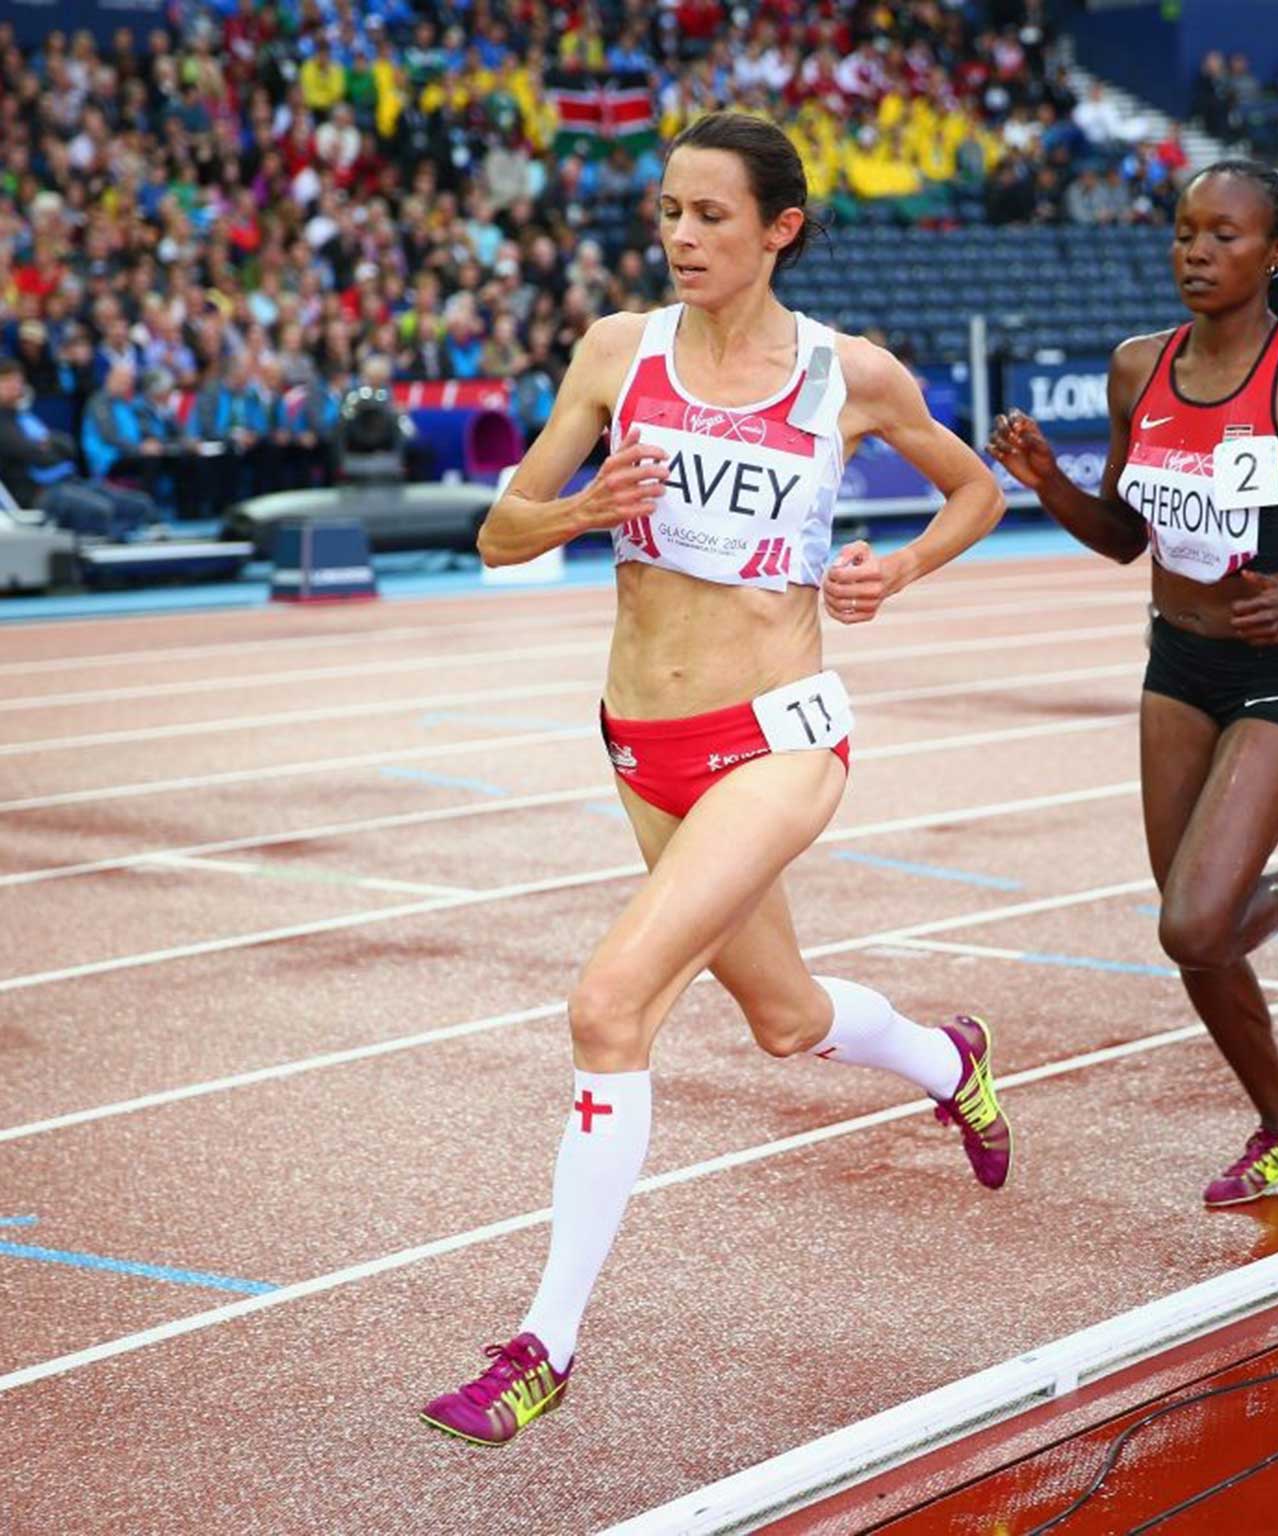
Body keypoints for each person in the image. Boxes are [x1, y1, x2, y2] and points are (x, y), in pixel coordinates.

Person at [420, 113, 1008, 1447]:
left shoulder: (843, 374)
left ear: (779, 229)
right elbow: (500, 533)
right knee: (789, 1021)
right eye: (669, 212)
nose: (681, 237)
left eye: (711, 216)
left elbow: (971, 492)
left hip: (780, 735)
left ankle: (542, 1346)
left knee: (610, 1005)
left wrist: (893, 569)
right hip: (642, 744)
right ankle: (947, 1058)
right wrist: (582, 508)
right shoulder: (614, 355)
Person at [989, 160, 1278, 1207]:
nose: (1196, 252)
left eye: (1224, 236)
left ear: (1276, 253)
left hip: (1276, 667)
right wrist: (1049, 484)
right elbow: (1122, 539)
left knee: (1196, 925)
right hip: (1177, 662)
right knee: (1195, 937)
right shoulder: (1135, 371)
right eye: (1183, 232)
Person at [0, 356, 157, 537]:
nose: (14, 385)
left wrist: (48, 445)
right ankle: (92, 558)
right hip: (38, 494)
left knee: (139, 504)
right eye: (6, 381)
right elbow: (36, 455)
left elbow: (68, 446)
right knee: (99, 510)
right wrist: (47, 446)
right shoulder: (3, 424)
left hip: (67, 480)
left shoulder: (25, 417)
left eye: (17, 380)